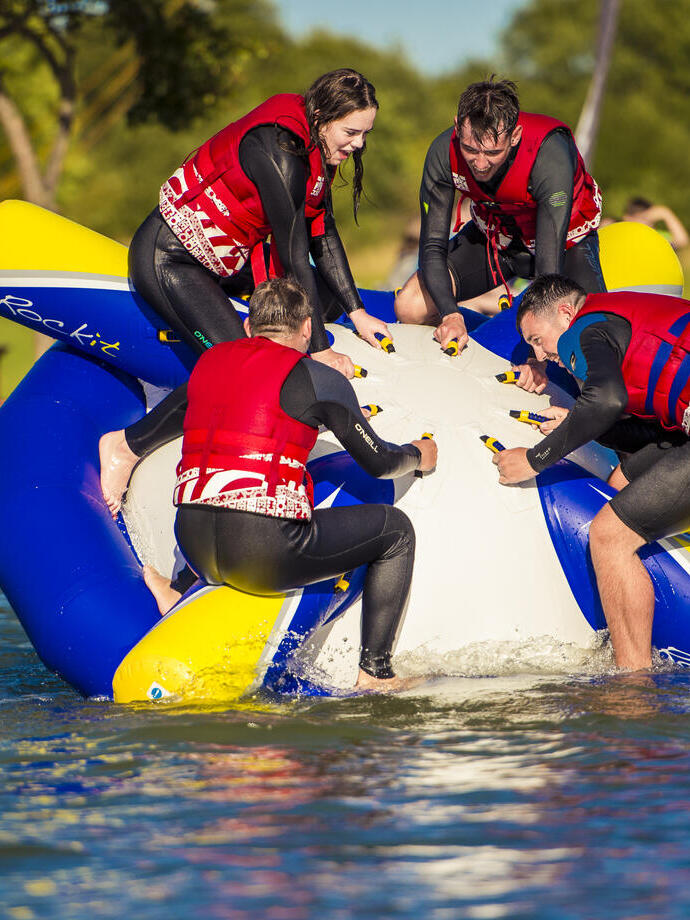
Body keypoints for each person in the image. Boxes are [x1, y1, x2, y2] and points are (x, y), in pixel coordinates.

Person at [99, 68, 390, 516]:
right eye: (352, 132)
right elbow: (294, 254)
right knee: (241, 366)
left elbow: (322, 232)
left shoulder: (316, 147)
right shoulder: (280, 151)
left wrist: (356, 311)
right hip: (171, 261)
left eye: (365, 134)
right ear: (322, 115)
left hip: (224, 262)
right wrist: (317, 348)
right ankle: (126, 445)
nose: (358, 145)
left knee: (324, 303)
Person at [169, 276, 437, 692]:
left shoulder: (207, 363)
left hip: (193, 546)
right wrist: (419, 453)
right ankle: (376, 673)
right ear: (308, 329)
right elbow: (379, 463)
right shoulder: (319, 378)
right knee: (396, 530)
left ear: (248, 327)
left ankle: (177, 592)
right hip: (262, 553)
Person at [492, 273, 690, 671]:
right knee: (621, 481)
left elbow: (606, 400)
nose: (543, 354)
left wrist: (533, 459)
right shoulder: (618, 318)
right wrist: (573, 422)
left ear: (565, 312)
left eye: (536, 338)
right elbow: (639, 423)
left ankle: (631, 686)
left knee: (609, 537)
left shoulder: (581, 329)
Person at [394, 77, 605, 387]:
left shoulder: (550, 153)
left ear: (515, 135)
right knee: (410, 305)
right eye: (469, 149)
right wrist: (450, 314)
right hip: (499, 237)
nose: (479, 164)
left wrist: (537, 356)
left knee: (593, 337)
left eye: (492, 153)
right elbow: (432, 248)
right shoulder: (443, 151)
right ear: (457, 127)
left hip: (562, 243)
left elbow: (548, 267)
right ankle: (482, 335)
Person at [622, 196, 689, 251]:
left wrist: (666, 213)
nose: (650, 225)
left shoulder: (657, 236)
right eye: (644, 218)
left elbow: (682, 241)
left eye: (651, 221)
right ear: (628, 218)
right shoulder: (620, 235)